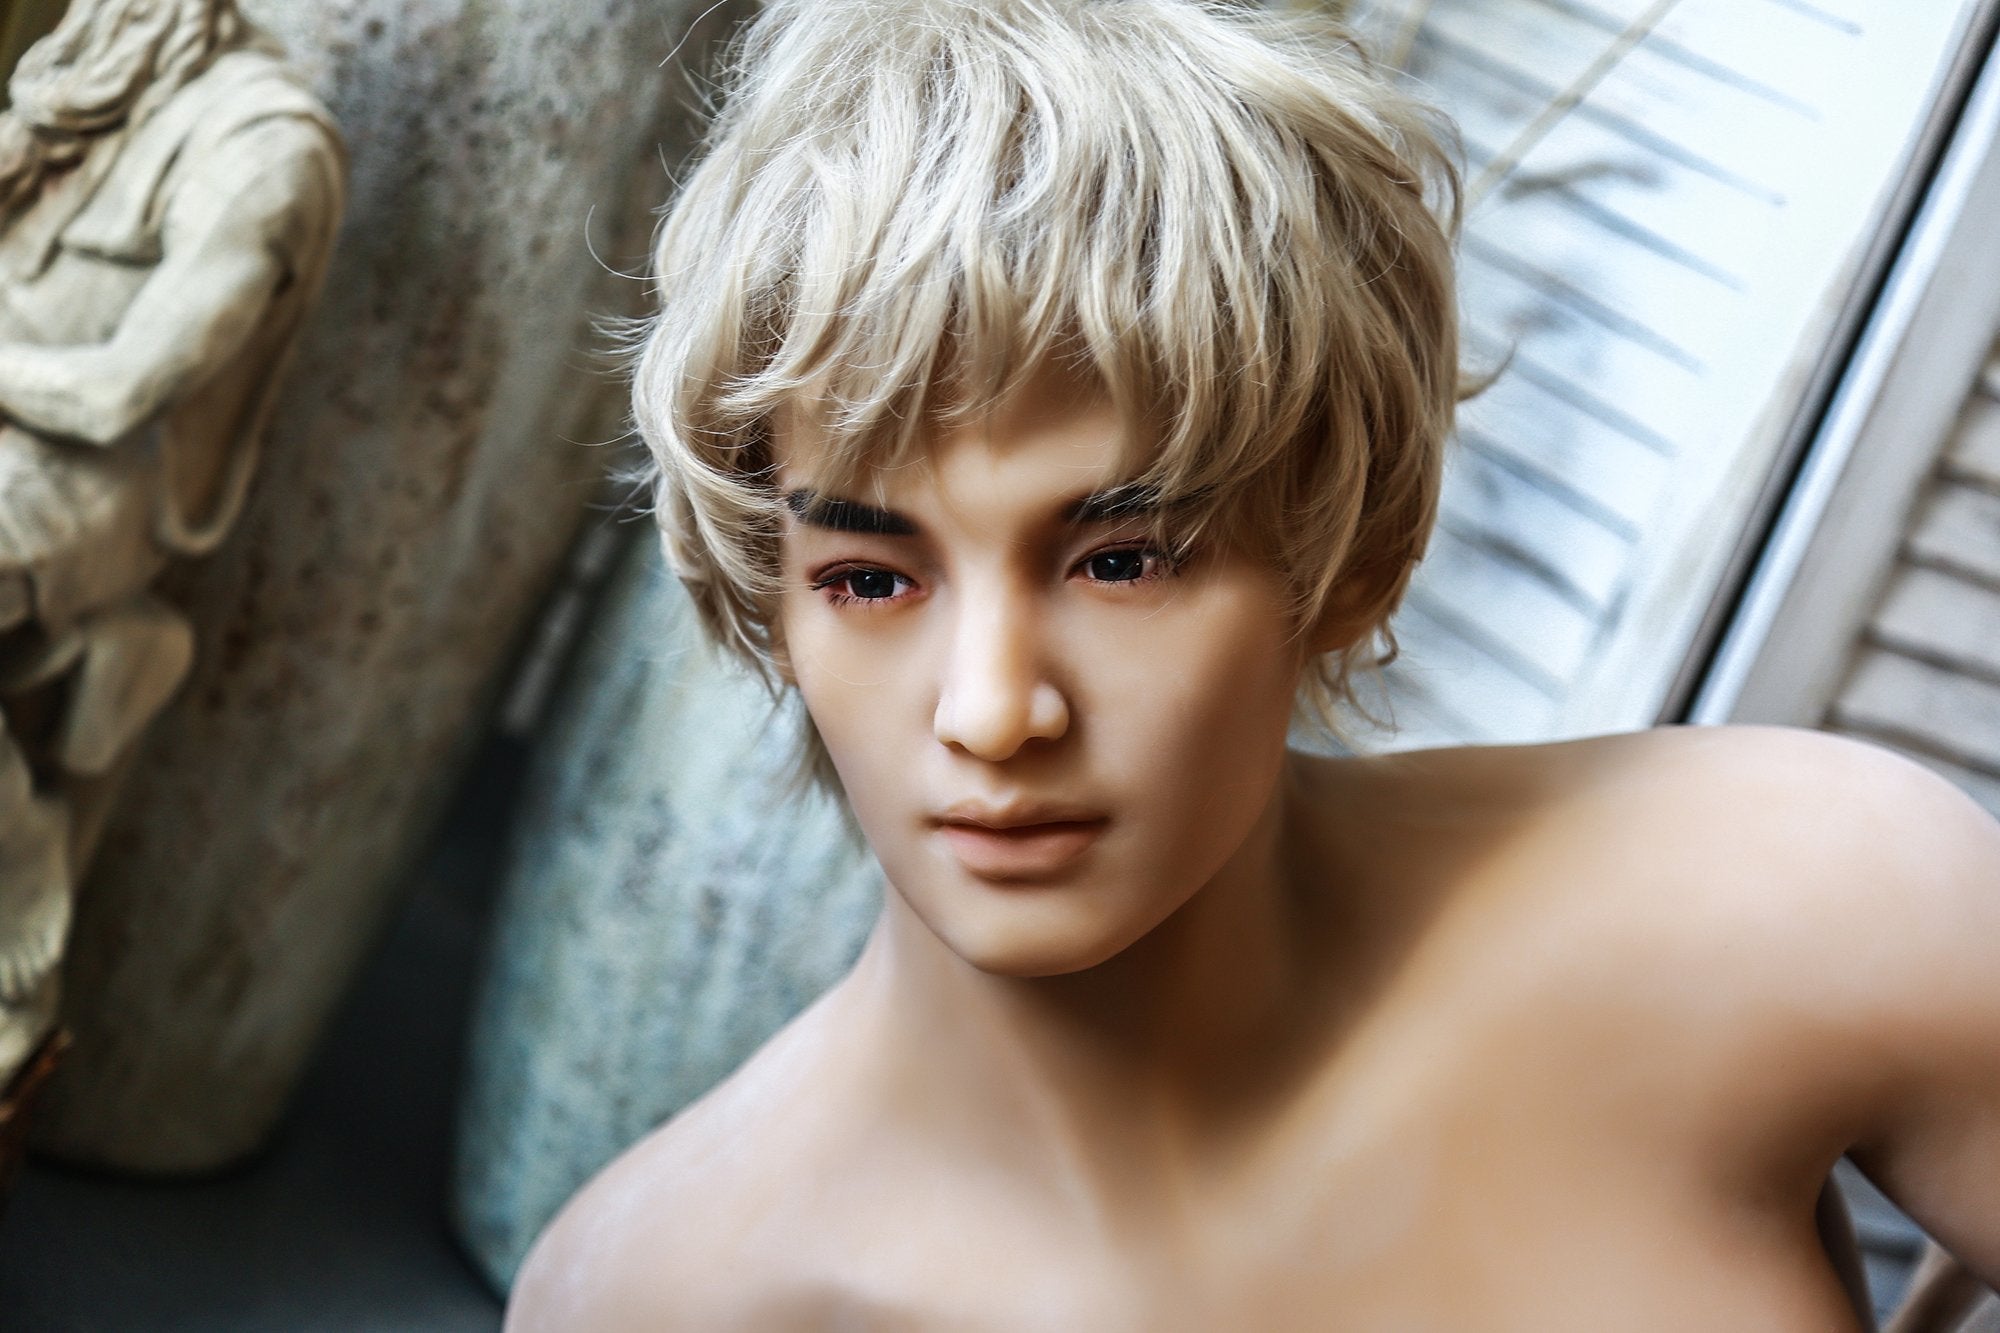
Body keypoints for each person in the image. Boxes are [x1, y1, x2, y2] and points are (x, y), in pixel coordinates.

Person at [508, 1, 2000, 1326]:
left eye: (1121, 560)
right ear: (775, 605)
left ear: (1345, 555)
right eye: (871, 580)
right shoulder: (674, 1294)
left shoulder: (1798, 894)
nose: (993, 712)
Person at [0, 0, 343, 1091]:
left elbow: (121, 392)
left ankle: (15, 886)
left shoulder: (265, 148)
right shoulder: (75, 79)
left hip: (85, 482)